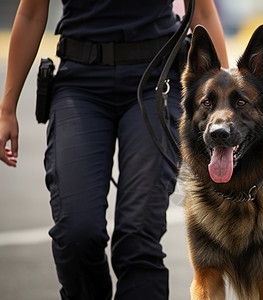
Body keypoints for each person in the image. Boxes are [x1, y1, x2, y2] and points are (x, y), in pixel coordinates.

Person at [0, 0, 228, 299]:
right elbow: (30, 13)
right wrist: (7, 109)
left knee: (139, 236)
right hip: (80, 85)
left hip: (155, 83)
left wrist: (223, 107)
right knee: (76, 234)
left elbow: (203, 11)